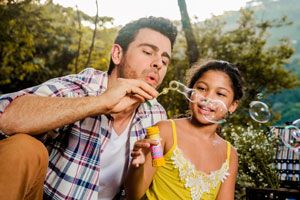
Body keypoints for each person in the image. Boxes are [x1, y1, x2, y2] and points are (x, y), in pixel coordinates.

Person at [0, 16, 177, 200]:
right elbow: (6, 117)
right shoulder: (84, 87)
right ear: (117, 54)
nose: (158, 64)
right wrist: (101, 102)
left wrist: (140, 168)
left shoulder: (156, 114)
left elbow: (142, 185)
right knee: (23, 147)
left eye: (165, 61)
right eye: (148, 52)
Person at [126, 60, 243, 200]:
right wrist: (137, 167)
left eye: (220, 94)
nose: (208, 98)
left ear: (233, 105)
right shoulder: (165, 131)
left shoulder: (230, 155)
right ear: (190, 91)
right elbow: (133, 195)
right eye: (201, 88)